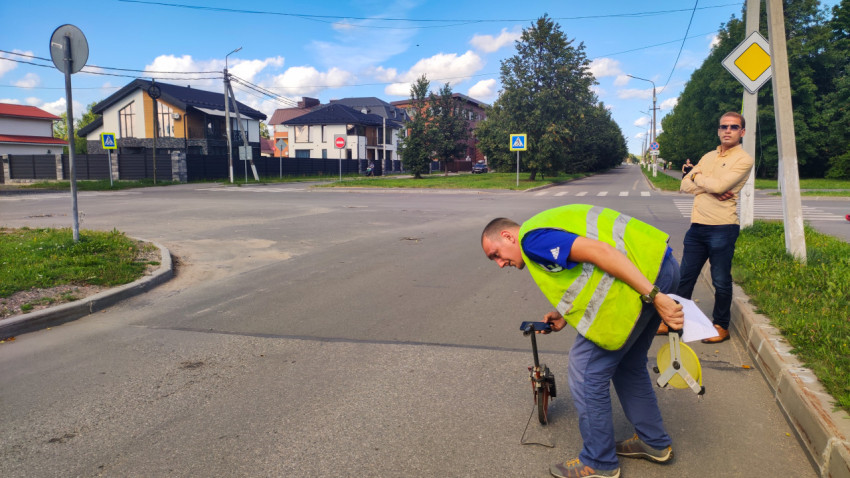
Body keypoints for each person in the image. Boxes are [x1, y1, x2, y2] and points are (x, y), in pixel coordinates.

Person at [481, 205, 684, 478]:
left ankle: (599, 462)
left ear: (507, 237)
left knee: (585, 371)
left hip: (645, 282)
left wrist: (654, 294)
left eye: (496, 254)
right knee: (629, 365)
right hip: (659, 265)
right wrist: (564, 313)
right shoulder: (542, 230)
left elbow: (602, 253)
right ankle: (653, 442)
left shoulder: (532, 239)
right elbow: (588, 273)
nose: (500, 264)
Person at [669, 111, 754, 344]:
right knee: (684, 278)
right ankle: (673, 321)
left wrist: (696, 178)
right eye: (724, 126)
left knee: (720, 280)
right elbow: (684, 185)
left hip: (723, 227)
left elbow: (718, 185)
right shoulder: (708, 156)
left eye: (734, 127)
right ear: (718, 130)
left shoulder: (743, 159)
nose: (728, 130)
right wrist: (705, 184)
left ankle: (721, 326)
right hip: (697, 227)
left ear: (742, 132)